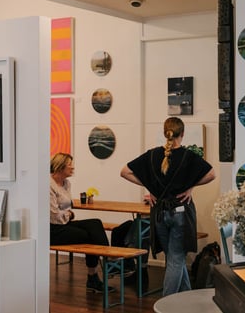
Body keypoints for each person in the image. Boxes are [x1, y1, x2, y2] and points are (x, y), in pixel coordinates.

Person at [120, 117, 215, 296]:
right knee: (176, 260)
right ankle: (165, 303)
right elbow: (211, 174)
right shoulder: (188, 156)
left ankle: (187, 299)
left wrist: (150, 187)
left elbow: (124, 171)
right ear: (183, 134)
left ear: (165, 133)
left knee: (173, 259)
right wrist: (190, 187)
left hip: (159, 214)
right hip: (181, 213)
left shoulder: (152, 154)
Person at [49, 152, 115, 294]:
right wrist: (69, 214)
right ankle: (95, 276)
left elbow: (64, 210)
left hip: (64, 224)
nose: (73, 167)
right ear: (60, 166)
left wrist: (67, 214)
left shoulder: (66, 183)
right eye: (70, 164)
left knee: (95, 223)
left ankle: (108, 257)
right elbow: (54, 216)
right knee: (88, 235)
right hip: (52, 229)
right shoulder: (48, 185)